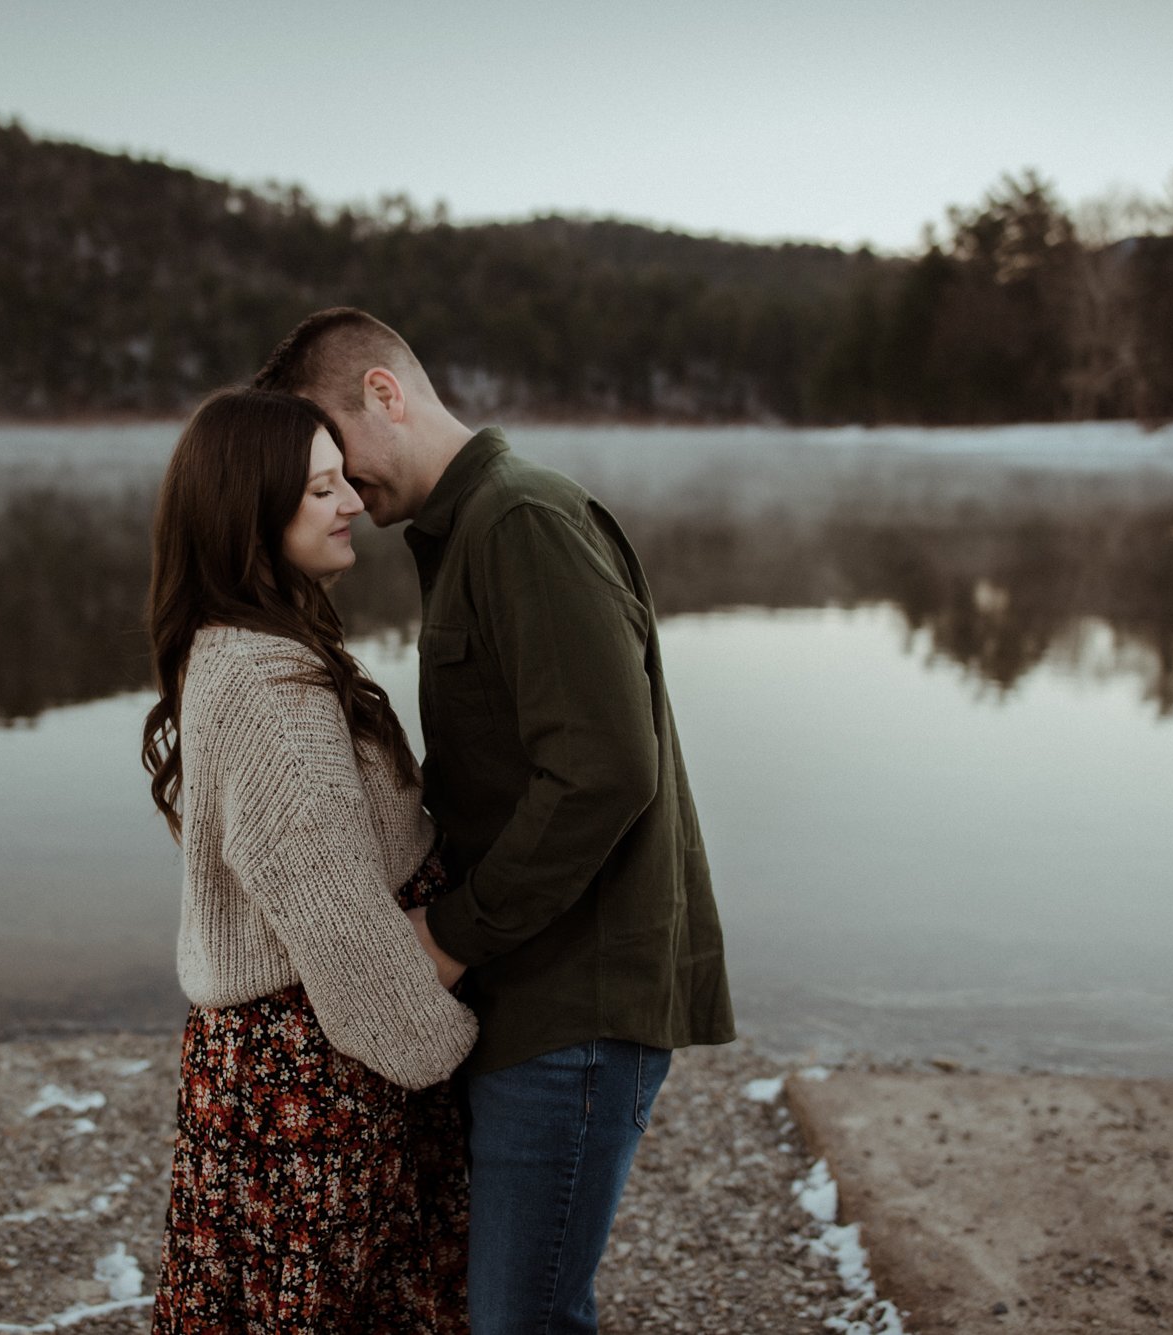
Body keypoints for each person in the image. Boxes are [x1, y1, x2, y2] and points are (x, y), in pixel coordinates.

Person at [256, 309, 736, 1334]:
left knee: (522, 1322)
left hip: (572, 1003)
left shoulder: (519, 521)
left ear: (385, 393)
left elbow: (604, 772)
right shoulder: (464, 534)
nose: (336, 485)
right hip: (532, 997)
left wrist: (449, 937)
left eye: (334, 451)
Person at [140, 386, 475, 1333]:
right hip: (316, 1071)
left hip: (311, 1054)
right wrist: (444, 1045)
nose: (353, 502)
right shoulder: (265, 678)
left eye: (344, 479)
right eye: (320, 489)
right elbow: (327, 904)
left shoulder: (266, 639)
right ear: (252, 512)